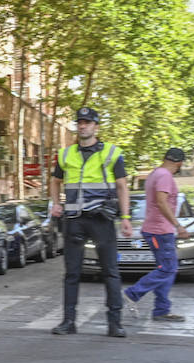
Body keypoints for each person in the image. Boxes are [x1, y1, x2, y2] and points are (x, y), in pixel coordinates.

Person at [49, 108, 133, 337]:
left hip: (101, 220)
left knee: (111, 272)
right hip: (74, 220)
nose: (83, 126)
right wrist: (55, 203)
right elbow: (55, 181)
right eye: (80, 123)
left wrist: (125, 218)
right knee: (72, 273)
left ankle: (115, 323)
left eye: (87, 122)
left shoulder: (111, 153)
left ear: (96, 126)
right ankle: (68, 322)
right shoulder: (66, 154)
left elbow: (122, 186)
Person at [125, 148, 190, 322]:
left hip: (158, 229)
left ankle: (161, 309)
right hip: (160, 230)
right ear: (179, 163)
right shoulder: (165, 176)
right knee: (168, 268)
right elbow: (161, 202)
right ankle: (133, 293)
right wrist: (178, 225)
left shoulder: (155, 173)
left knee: (168, 269)